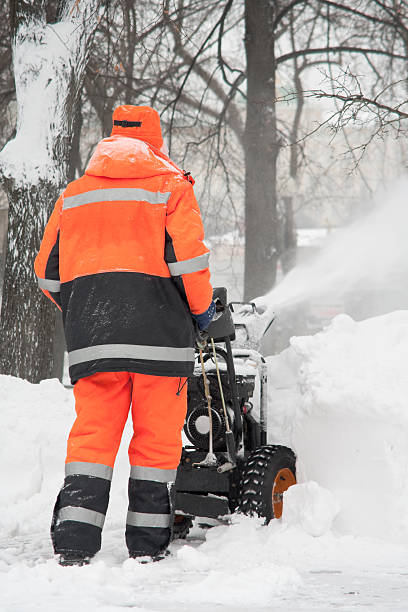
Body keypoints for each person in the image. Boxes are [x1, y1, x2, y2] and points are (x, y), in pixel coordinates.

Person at [34, 105, 215, 566]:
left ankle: (74, 544)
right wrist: (203, 313)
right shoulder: (171, 189)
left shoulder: (73, 196)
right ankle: (147, 549)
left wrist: (83, 310)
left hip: (95, 341)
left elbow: (47, 274)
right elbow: (190, 263)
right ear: (155, 143)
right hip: (161, 343)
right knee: (155, 444)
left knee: (92, 442)